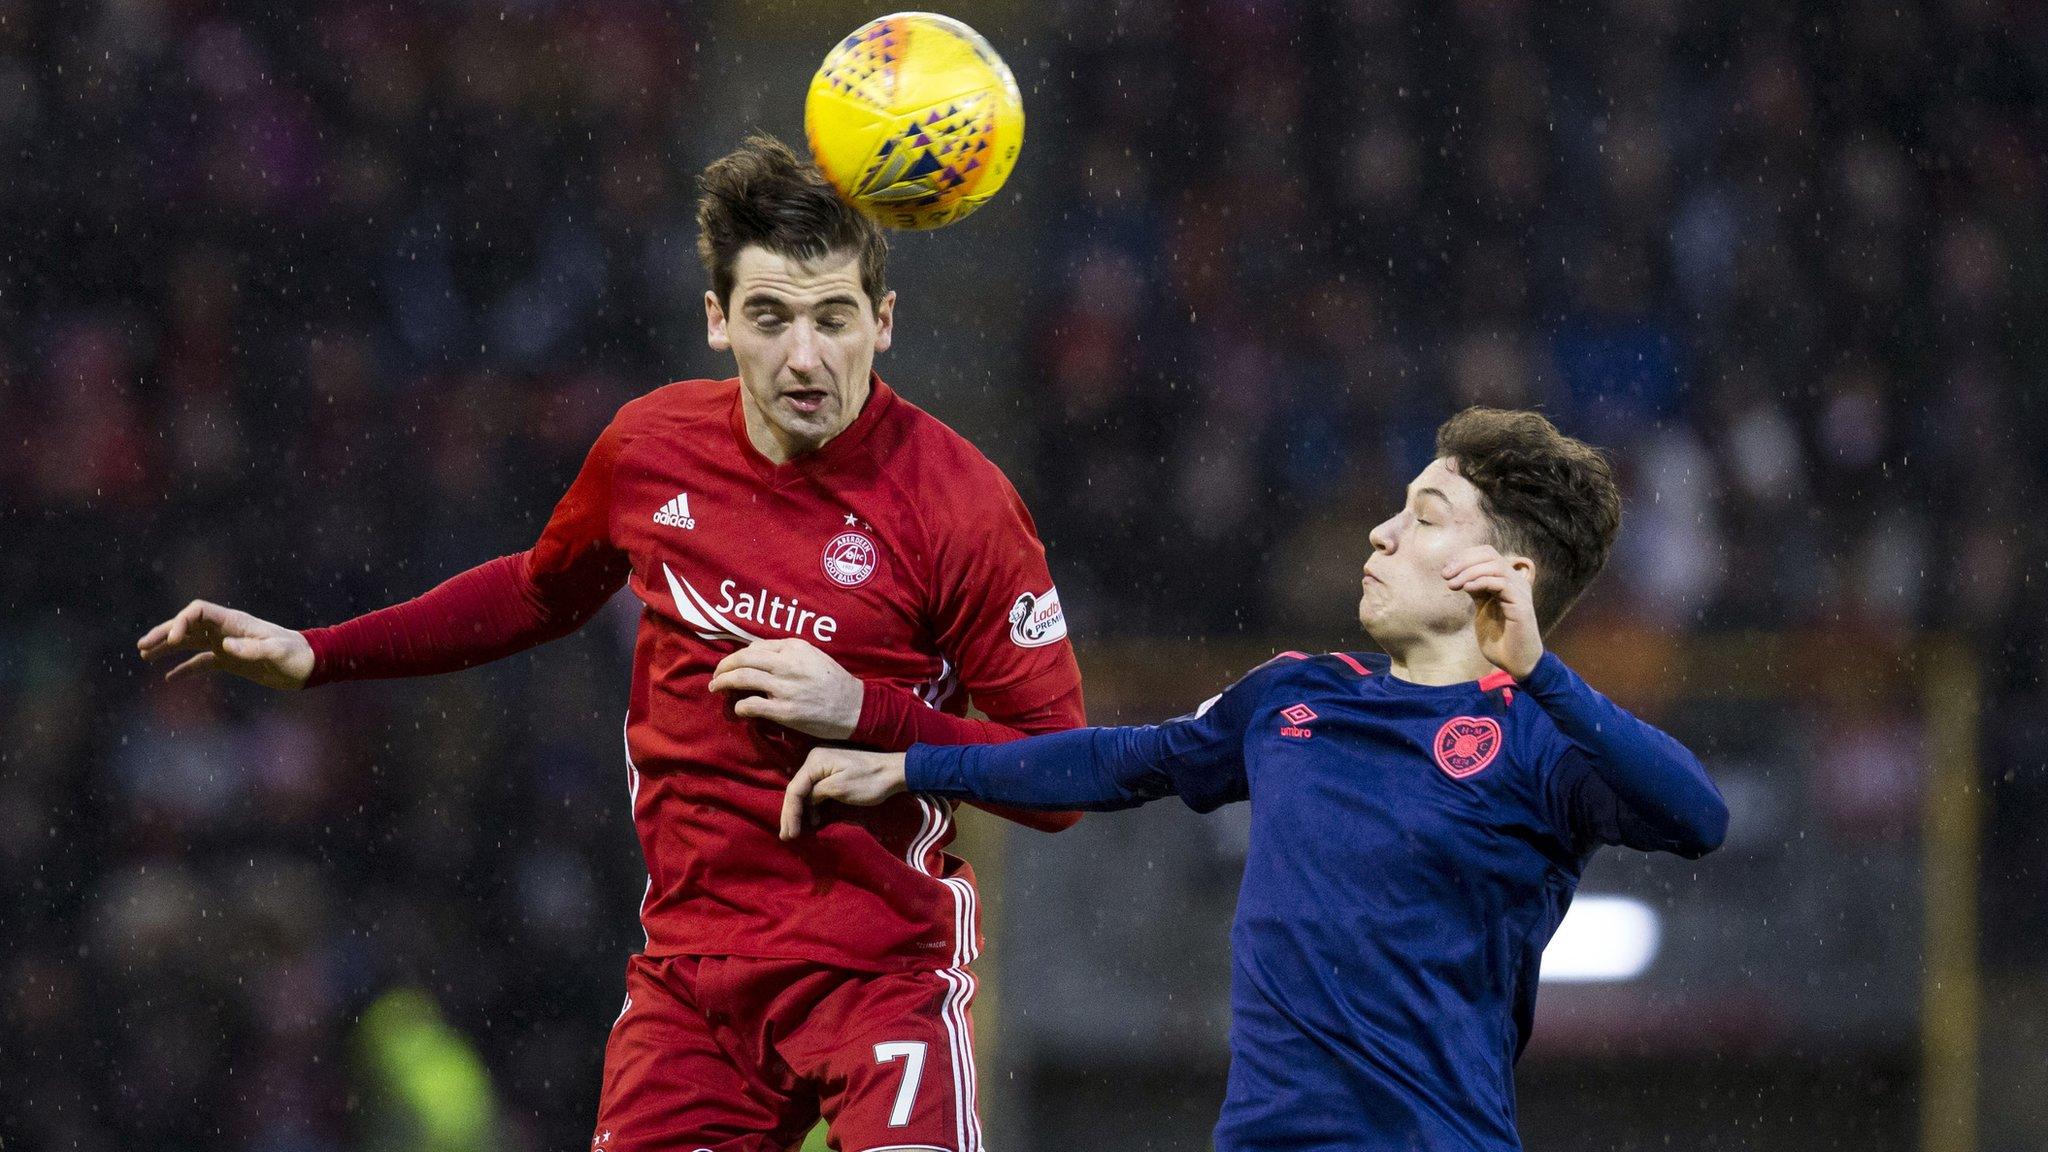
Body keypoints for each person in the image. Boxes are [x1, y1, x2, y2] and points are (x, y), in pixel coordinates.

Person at [137, 135, 1084, 1152]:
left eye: (833, 318)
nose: (804, 356)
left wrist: (872, 717)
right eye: (769, 316)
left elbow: (1062, 779)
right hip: (694, 987)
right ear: (718, 321)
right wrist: (319, 653)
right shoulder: (648, 450)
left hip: (881, 980)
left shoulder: (964, 506)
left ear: (883, 323)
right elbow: (537, 592)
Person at [782, 408, 1730, 1152]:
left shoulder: (1538, 737)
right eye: (1397, 509)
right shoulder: (1294, 698)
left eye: (1424, 517)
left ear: (1504, 573)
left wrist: (1539, 670)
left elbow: (1698, 816)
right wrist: (910, 755)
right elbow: (1118, 760)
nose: (1382, 531)